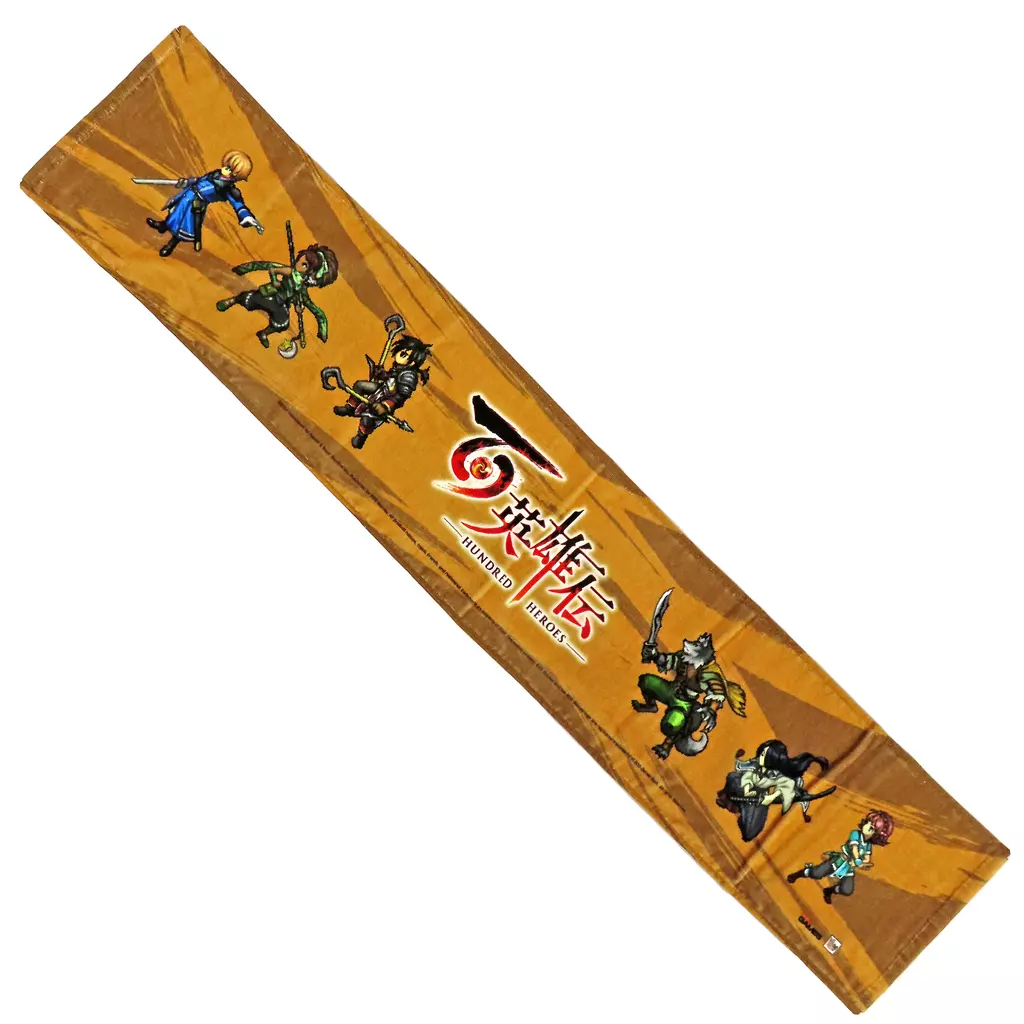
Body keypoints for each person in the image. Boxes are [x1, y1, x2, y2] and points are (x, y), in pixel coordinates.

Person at [632, 631, 746, 759]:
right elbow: (668, 661)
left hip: (683, 704)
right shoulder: (685, 658)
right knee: (646, 681)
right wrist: (654, 654)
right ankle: (651, 705)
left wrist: (710, 710)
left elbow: (717, 695)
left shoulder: (709, 674)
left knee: (670, 725)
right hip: (670, 690)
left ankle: (667, 745)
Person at [217, 243, 339, 352]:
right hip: (272, 294)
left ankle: (263, 333)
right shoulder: (290, 272)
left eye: (305, 265)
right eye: (302, 262)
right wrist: (274, 281)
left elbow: (315, 310)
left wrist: (299, 308)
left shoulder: (301, 289)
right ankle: (232, 300)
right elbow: (269, 267)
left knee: (282, 323)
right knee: (250, 300)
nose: (300, 265)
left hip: (281, 305)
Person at [146, 150, 262, 257]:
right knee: (175, 214)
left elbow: (238, 205)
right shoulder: (214, 175)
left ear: (236, 175)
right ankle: (163, 226)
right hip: (188, 195)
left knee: (184, 225)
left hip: (196, 204)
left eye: (230, 170)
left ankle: (170, 245)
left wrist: (246, 216)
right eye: (227, 166)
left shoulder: (229, 190)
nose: (226, 169)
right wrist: (186, 182)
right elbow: (199, 180)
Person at [716, 739, 835, 842]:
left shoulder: (779, 775)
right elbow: (743, 772)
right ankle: (729, 801)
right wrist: (747, 789)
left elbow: (786, 786)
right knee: (733, 778)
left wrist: (770, 797)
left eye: (764, 754)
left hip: (759, 800)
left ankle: (742, 808)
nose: (760, 756)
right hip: (745, 791)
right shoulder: (756, 764)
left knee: (749, 833)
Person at [332, 336, 432, 448]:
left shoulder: (409, 376)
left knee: (368, 417)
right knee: (360, 386)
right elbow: (390, 379)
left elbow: (400, 397)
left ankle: (361, 436)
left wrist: (385, 406)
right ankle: (349, 408)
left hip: (387, 399)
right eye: (401, 351)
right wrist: (381, 374)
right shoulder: (399, 367)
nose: (399, 354)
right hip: (381, 389)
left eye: (404, 354)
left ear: (412, 362)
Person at [787, 810, 895, 903]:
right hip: (839, 860)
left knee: (847, 890)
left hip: (849, 868)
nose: (867, 827)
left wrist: (864, 864)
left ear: (875, 835)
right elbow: (854, 848)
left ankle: (828, 891)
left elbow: (867, 858)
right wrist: (858, 860)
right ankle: (798, 874)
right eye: (868, 823)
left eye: (871, 828)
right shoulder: (856, 834)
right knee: (816, 873)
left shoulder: (868, 845)